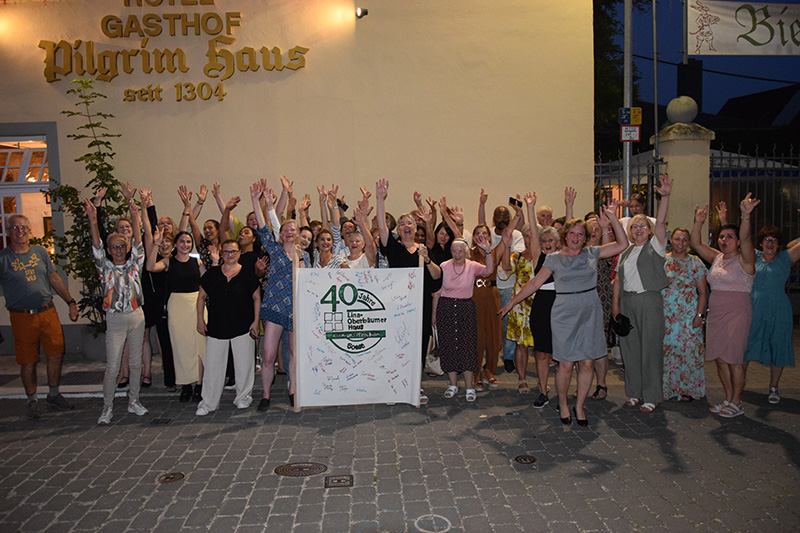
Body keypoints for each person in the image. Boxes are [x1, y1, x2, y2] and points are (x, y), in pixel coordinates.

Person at [500, 201, 628, 427]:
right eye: (572, 234)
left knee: (587, 362)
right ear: (565, 236)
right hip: (564, 312)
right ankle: (563, 403)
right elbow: (534, 284)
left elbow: (623, 244)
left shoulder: (591, 253)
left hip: (589, 309)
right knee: (566, 364)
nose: (576, 237)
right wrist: (511, 302)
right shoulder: (554, 258)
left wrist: (613, 217)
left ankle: (579, 406)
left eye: (580, 234)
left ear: (585, 237)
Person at [0, 214, 79, 419]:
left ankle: (54, 394)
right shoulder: (3, 259)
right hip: (22, 317)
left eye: (23, 227)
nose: (20, 231)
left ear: (29, 230)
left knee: (55, 354)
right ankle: (32, 400)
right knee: (28, 361)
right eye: (15, 228)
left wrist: (70, 301)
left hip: (47, 311)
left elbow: (53, 277)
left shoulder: (40, 252)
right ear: (8, 231)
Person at [690, 194, 759, 418]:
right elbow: (696, 243)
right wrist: (698, 223)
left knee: (734, 359)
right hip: (717, 313)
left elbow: (747, 238)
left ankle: (737, 402)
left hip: (737, 313)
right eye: (722, 236)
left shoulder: (746, 259)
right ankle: (728, 398)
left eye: (730, 237)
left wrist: (745, 216)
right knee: (720, 358)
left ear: (738, 241)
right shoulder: (718, 258)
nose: (724, 240)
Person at [376, 179, 442, 405]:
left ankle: (416, 386)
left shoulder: (424, 250)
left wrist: (427, 260)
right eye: (402, 223)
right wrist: (380, 199)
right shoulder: (393, 248)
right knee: (396, 346)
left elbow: (436, 278)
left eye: (410, 223)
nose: (406, 226)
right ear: (399, 228)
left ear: (416, 228)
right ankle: (394, 387)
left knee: (419, 347)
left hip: (420, 307)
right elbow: (382, 229)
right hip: (397, 306)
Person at [86, 195, 149, 424]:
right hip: (114, 319)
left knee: (135, 363)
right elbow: (96, 245)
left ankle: (134, 401)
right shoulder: (105, 267)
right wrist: (93, 220)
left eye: (122, 246)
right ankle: (107, 407)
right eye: (114, 247)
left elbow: (140, 243)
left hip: (136, 316)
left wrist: (134, 214)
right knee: (113, 366)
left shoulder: (135, 264)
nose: (119, 250)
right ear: (110, 250)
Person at [613, 175, 672, 413]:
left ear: (649, 230)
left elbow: (661, 224)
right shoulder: (626, 252)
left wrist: (665, 197)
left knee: (650, 349)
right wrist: (616, 308)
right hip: (628, 302)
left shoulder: (656, 247)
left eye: (643, 226)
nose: (639, 229)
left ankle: (652, 395)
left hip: (649, 300)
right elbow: (618, 279)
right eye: (634, 226)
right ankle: (635, 393)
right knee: (630, 350)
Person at [251, 180, 310, 411]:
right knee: (268, 355)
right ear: (282, 233)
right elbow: (264, 228)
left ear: (297, 235)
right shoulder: (273, 250)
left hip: (295, 309)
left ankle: (293, 390)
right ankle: (265, 395)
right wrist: (258, 202)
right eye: (285, 229)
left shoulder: (303, 254)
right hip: (274, 307)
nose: (289, 231)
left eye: (293, 230)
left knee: (294, 353)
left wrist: (301, 260)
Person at [195, 240, 261, 415]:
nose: (230, 255)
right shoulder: (212, 274)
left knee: (244, 365)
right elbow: (201, 297)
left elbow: (256, 298)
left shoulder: (248, 275)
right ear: (221, 253)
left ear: (239, 253)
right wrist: (200, 320)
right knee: (213, 366)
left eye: (233, 251)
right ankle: (208, 402)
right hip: (217, 327)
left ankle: (243, 398)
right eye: (226, 252)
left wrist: (256, 321)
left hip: (243, 326)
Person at [146, 222, 207, 404]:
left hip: (197, 305)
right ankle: (185, 385)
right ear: (175, 244)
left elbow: (210, 281)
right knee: (181, 348)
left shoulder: (198, 262)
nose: (185, 245)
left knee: (199, 346)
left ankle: (199, 385)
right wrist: (156, 243)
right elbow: (150, 267)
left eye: (188, 242)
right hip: (177, 306)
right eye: (182, 242)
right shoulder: (168, 262)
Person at [743, 227, 800, 404]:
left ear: (778, 245)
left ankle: (774, 387)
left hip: (779, 309)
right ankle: (740, 382)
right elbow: (741, 239)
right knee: (745, 345)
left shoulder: (785, 258)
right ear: (760, 243)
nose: (770, 243)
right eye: (767, 239)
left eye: (774, 240)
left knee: (779, 344)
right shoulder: (753, 256)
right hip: (754, 307)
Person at [435, 236, 495, 402]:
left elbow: (489, 271)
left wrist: (488, 251)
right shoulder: (444, 266)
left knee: (467, 346)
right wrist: (434, 314)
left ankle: (469, 387)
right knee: (448, 346)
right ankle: (452, 384)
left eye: (460, 251)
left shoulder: (472, 266)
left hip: (465, 308)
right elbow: (437, 292)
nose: (457, 254)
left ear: (466, 252)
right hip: (445, 307)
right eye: (454, 251)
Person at [661, 227, 708, 402]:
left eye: (684, 240)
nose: (681, 243)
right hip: (667, 314)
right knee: (669, 351)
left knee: (689, 352)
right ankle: (669, 388)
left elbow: (703, 292)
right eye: (677, 239)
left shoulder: (695, 262)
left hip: (689, 315)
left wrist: (700, 315)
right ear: (671, 240)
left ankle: (688, 389)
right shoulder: (662, 261)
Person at [469, 224, 502, 391]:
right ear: (474, 237)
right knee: (476, 336)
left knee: (493, 335)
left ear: (489, 236)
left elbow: (508, 232)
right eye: (478, 233)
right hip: (475, 296)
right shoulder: (469, 253)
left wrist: (519, 212)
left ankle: (489, 369)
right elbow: (455, 232)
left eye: (484, 233)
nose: (481, 235)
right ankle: (476, 372)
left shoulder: (495, 251)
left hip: (491, 296)